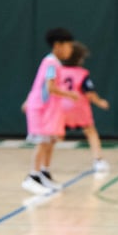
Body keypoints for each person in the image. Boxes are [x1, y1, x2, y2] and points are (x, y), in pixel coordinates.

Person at [22, 27, 79, 195]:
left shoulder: (54, 63)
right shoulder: (51, 63)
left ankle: (44, 173)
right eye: (68, 46)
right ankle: (32, 177)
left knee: (49, 142)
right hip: (42, 109)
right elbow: (50, 87)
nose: (70, 50)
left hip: (50, 110)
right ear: (57, 45)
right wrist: (70, 94)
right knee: (42, 142)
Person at [59, 42, 110, 174]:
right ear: (79, 59)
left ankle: (42, 164)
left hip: (61, 107)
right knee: (91, 132)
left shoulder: (58, 71)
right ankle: (98, 160)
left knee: (53, 135)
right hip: (78, 108)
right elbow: (90, 93)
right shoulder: (81, 74)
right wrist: (100, 102)